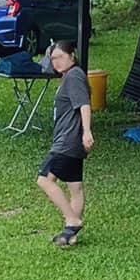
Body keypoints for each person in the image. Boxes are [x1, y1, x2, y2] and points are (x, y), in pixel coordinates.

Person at [37, 38, 93, 246]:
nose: (56, 62)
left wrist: (87, 132)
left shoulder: (74, 77)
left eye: (60, 57)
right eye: (53, 59)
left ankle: (72, 219)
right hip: (72, 140)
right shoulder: (70, 76)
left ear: (72, 56)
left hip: (68, 141)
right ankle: (71, 235)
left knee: (44, 179)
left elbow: (84, 105)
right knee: (75, 187)